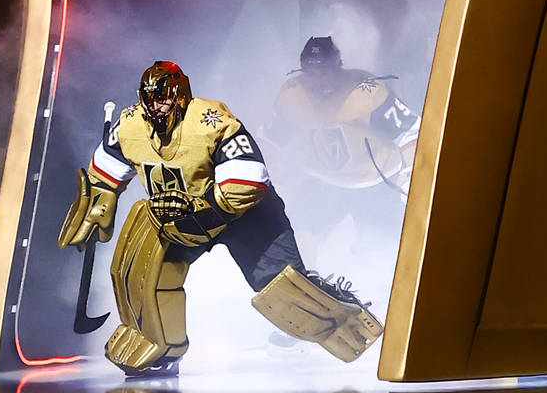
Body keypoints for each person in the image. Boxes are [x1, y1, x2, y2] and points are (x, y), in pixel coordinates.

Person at [57, 60, 382, 376]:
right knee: (143, 279)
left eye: (166, 98)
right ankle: (161, 348)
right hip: (176, 218)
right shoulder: (129, 126)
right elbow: (104, 169)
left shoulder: (212, 122)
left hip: (245, 215)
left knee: (285, 292)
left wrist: (201, 214)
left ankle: (345, 314)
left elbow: (249, 182)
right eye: (152, 99)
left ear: (181, 95)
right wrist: (98, 204)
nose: (158, 107)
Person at [264, 36, 421, 200]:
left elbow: (410, 132)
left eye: (325, 72)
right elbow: (272, 139)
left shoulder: (367, 91)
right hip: (322, 184)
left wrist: (411, 176)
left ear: (339, 67)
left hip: (375, 181)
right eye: (311, 74)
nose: (318, 81)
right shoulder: (291, 94)